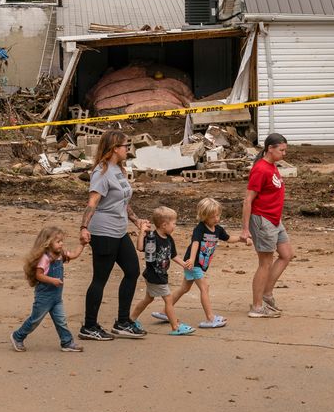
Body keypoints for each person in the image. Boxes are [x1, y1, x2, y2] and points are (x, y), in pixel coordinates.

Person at [79, 129, 150, 341]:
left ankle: (122, 322)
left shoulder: (118, 169)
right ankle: (89, 326)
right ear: (114, 148)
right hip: (103, 231)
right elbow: (92, 203)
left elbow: (123, 202)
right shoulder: (101, 172)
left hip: (119, 230)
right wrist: (84, 228)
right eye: (125, 146)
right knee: (100, 279)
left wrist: (136, 220)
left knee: (132, 271)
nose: (128, 149)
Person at [153, 197, 230, 329]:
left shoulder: (217, 229)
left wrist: (242, 239)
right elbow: (195, 243)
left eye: (218, 215)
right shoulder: (200, 229)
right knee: (204, 288)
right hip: (193, 263)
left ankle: (164, 311)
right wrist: (192, 260)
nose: (216, 219)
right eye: (213, 217)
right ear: (204, 216)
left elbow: (228, 238)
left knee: (184, 288)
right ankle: (210, 318)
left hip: (195, 263)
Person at [239, 133, 291, 319]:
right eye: (282, 150)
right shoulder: (261, 169)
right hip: (263, 220)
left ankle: (266, 296)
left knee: (286, 255)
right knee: (265, 263)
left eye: (285, 150)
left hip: (275, 220)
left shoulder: (272, 166)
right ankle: (257, 306)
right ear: (270, 148)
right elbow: (247, 200)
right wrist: (245, 229)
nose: (284, 153)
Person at [11, 226, 85, 352]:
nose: (61, 244)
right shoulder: (45, 259)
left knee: (61, 320)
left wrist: (82, 244)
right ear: (47, 243)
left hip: (56, 297)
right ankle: (17, 336)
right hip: (44, 297)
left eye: (62, 241)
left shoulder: (60, 255)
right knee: (35, 320)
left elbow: (74, 255)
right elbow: (38, 275)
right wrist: (53, 280)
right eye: (58, 241)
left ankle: (67, 342)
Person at [130, 206, 195, 336]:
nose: (175, 226)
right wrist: (142, 233)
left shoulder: (169, 238)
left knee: (148, 299)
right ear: (164, 225)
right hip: (155, 275)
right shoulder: (152, 237)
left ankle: (131, 319)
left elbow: (173, 255)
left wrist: (184, 264)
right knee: (169, 299)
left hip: (161, 274)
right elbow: (140, 247)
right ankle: (175, 327)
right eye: (174, 223)